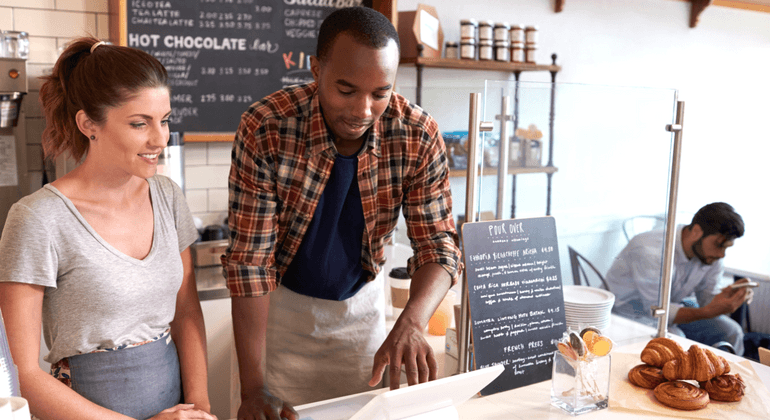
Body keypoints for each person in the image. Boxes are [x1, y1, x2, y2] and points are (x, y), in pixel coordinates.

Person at [222, 6, 462, 419]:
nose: (363, 111)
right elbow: (250, 265)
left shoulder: (416, 134)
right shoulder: (267, 127)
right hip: (279, 325)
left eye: (380, 93)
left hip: (362, 321)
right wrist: (252, 389)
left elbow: (438, 246)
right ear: (316, 70)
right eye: (346, 90)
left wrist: (412, 322)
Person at [0, 38, 216, 420]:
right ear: (88, 124)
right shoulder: (38, 218)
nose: (159, 139)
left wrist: (200, 406)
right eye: (139, 123)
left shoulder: (166, 195)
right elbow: (22, 375)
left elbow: (185, 309)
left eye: (164, 120)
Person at [606, 202, 752, 356]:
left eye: (726, 247)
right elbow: (656, 311)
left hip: (671, 308)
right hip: (626, 316)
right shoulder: (651, 250)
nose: (722, 254)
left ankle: (730, 378)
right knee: (677, 341)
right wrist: (707, 312)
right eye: (719, 245)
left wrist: (729, 295)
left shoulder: (711, 255)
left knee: (732, 331)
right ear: (696, 231)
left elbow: (706, 300)